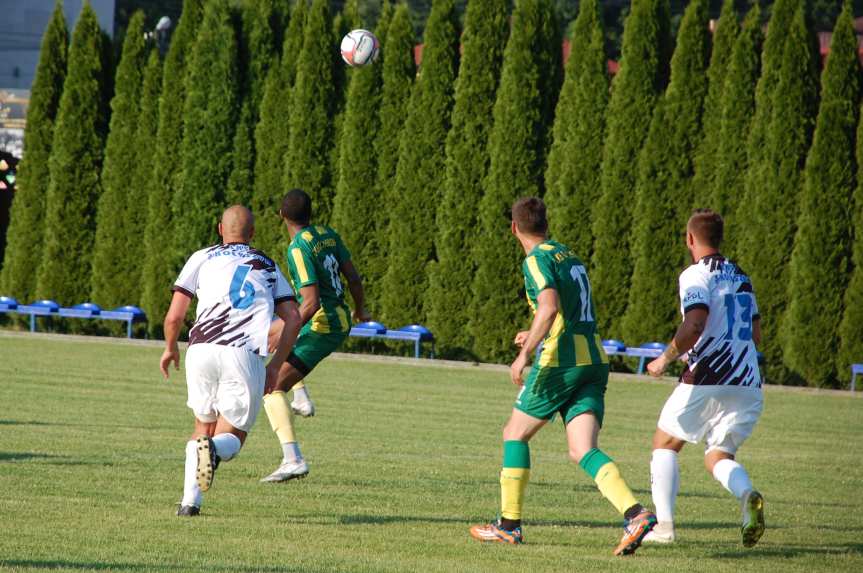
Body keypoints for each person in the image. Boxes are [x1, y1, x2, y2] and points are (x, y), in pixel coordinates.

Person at [469, 197, 657, 556]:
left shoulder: (535, 259)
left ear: (513, 228)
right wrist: (535, 332)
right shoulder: (567, 254)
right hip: (593, 360)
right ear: (545, 224)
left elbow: (550, 305)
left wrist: (525, 353)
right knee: (582, 449)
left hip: (561, 363)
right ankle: (636, 514)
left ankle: (508, 526)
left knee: (514, 433)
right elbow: (564, 311)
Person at [160, 205, 302, 516]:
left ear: (220, 229)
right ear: (252, 234)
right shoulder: (267, 264)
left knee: (203, 425)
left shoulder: (201, 257)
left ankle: (189, 505)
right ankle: (209, 451)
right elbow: (293, 318)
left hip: (200, 350)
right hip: (242, 353)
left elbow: (174, 316)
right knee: (232, 438)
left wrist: (171, 348)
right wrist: (276, 365)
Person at [644, 209, 765, 547]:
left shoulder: (695, 274)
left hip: (709, 376)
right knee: (719, 456)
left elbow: (695, 322)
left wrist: (664, 359)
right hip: (748, 382)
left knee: (664, 444)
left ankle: (664, 528)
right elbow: (755, 334)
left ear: (690, 239)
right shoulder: (742, 276)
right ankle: (747, 495)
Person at [260, 189, 370, 483]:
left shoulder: (298, 247)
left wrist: (286, 328)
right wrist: (360, 310)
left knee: (270, 386)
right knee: (273, 336)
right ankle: (302, 397)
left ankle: (292, 459)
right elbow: (354, 278)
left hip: (323, 324)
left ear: (281, 216)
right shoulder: (327, 234)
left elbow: (311, 303)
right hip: (337, 318)